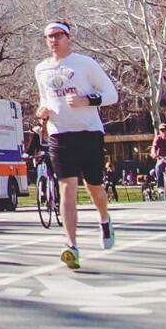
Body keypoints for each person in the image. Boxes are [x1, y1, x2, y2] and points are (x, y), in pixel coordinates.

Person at [33, 20, 119, 270]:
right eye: (49, 36)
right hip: (60, 135)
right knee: (67, 189)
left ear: (68, 37)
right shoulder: (41, 69)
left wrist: (86, 99)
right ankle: (71, 246)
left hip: (89, 132)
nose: (53, 40)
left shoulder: (85, 63)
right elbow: (44, 100)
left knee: (94, 188)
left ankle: (104, 219)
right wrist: (43, 112)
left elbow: (112, 94)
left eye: (58, 35)